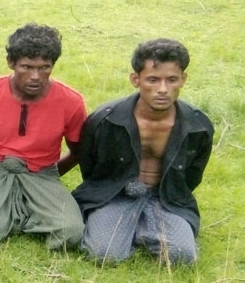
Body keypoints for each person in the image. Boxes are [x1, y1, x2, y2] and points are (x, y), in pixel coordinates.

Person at [73, 39, 212, 265]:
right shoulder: (106, 119)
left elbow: (193, 174)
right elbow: (89, 165)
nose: (163, 89)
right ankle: (129, 226)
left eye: (172, 80)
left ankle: (140, 226)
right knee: (104, 254)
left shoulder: (198, 125)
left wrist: (172, 193)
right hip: (115, 193)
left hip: (165, 197)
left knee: (181, 256)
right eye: (153, 80)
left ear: (183, 80)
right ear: (135, 79)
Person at [0, 23, 86, 250]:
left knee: (70, 233)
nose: (36, 76)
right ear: (11, 63)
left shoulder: (71, 102)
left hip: (43, 171)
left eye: (44, 67)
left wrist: (50, 174)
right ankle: (7, 204)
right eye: (26, 67)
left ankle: (19, 210)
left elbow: (77, 151)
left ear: (53, 65)